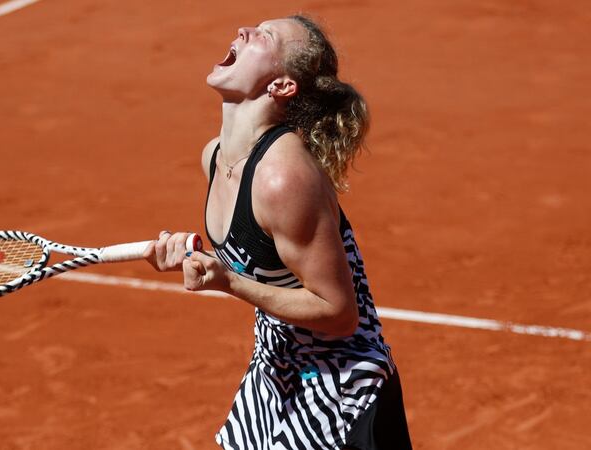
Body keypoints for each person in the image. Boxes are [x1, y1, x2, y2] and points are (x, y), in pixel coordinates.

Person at [145, 15, 412, 450]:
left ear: (281, 86)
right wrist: (186, 253)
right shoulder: (215, 157)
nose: (245, 31)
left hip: (343, 394)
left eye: (264, 36)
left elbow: (338, 311)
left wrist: (226, 280)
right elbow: (257, 256)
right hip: (277, 376)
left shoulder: (283, 178)